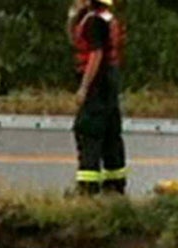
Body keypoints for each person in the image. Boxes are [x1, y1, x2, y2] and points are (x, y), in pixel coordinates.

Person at [69, 0, 127, 194]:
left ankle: (87, 187)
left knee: (88, 131)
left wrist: (84, 88)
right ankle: (115, 186)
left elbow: (96, 54)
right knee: (111, 134)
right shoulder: (108, 18)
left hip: (97, 86)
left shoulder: (93, 21)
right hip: (109, 83)